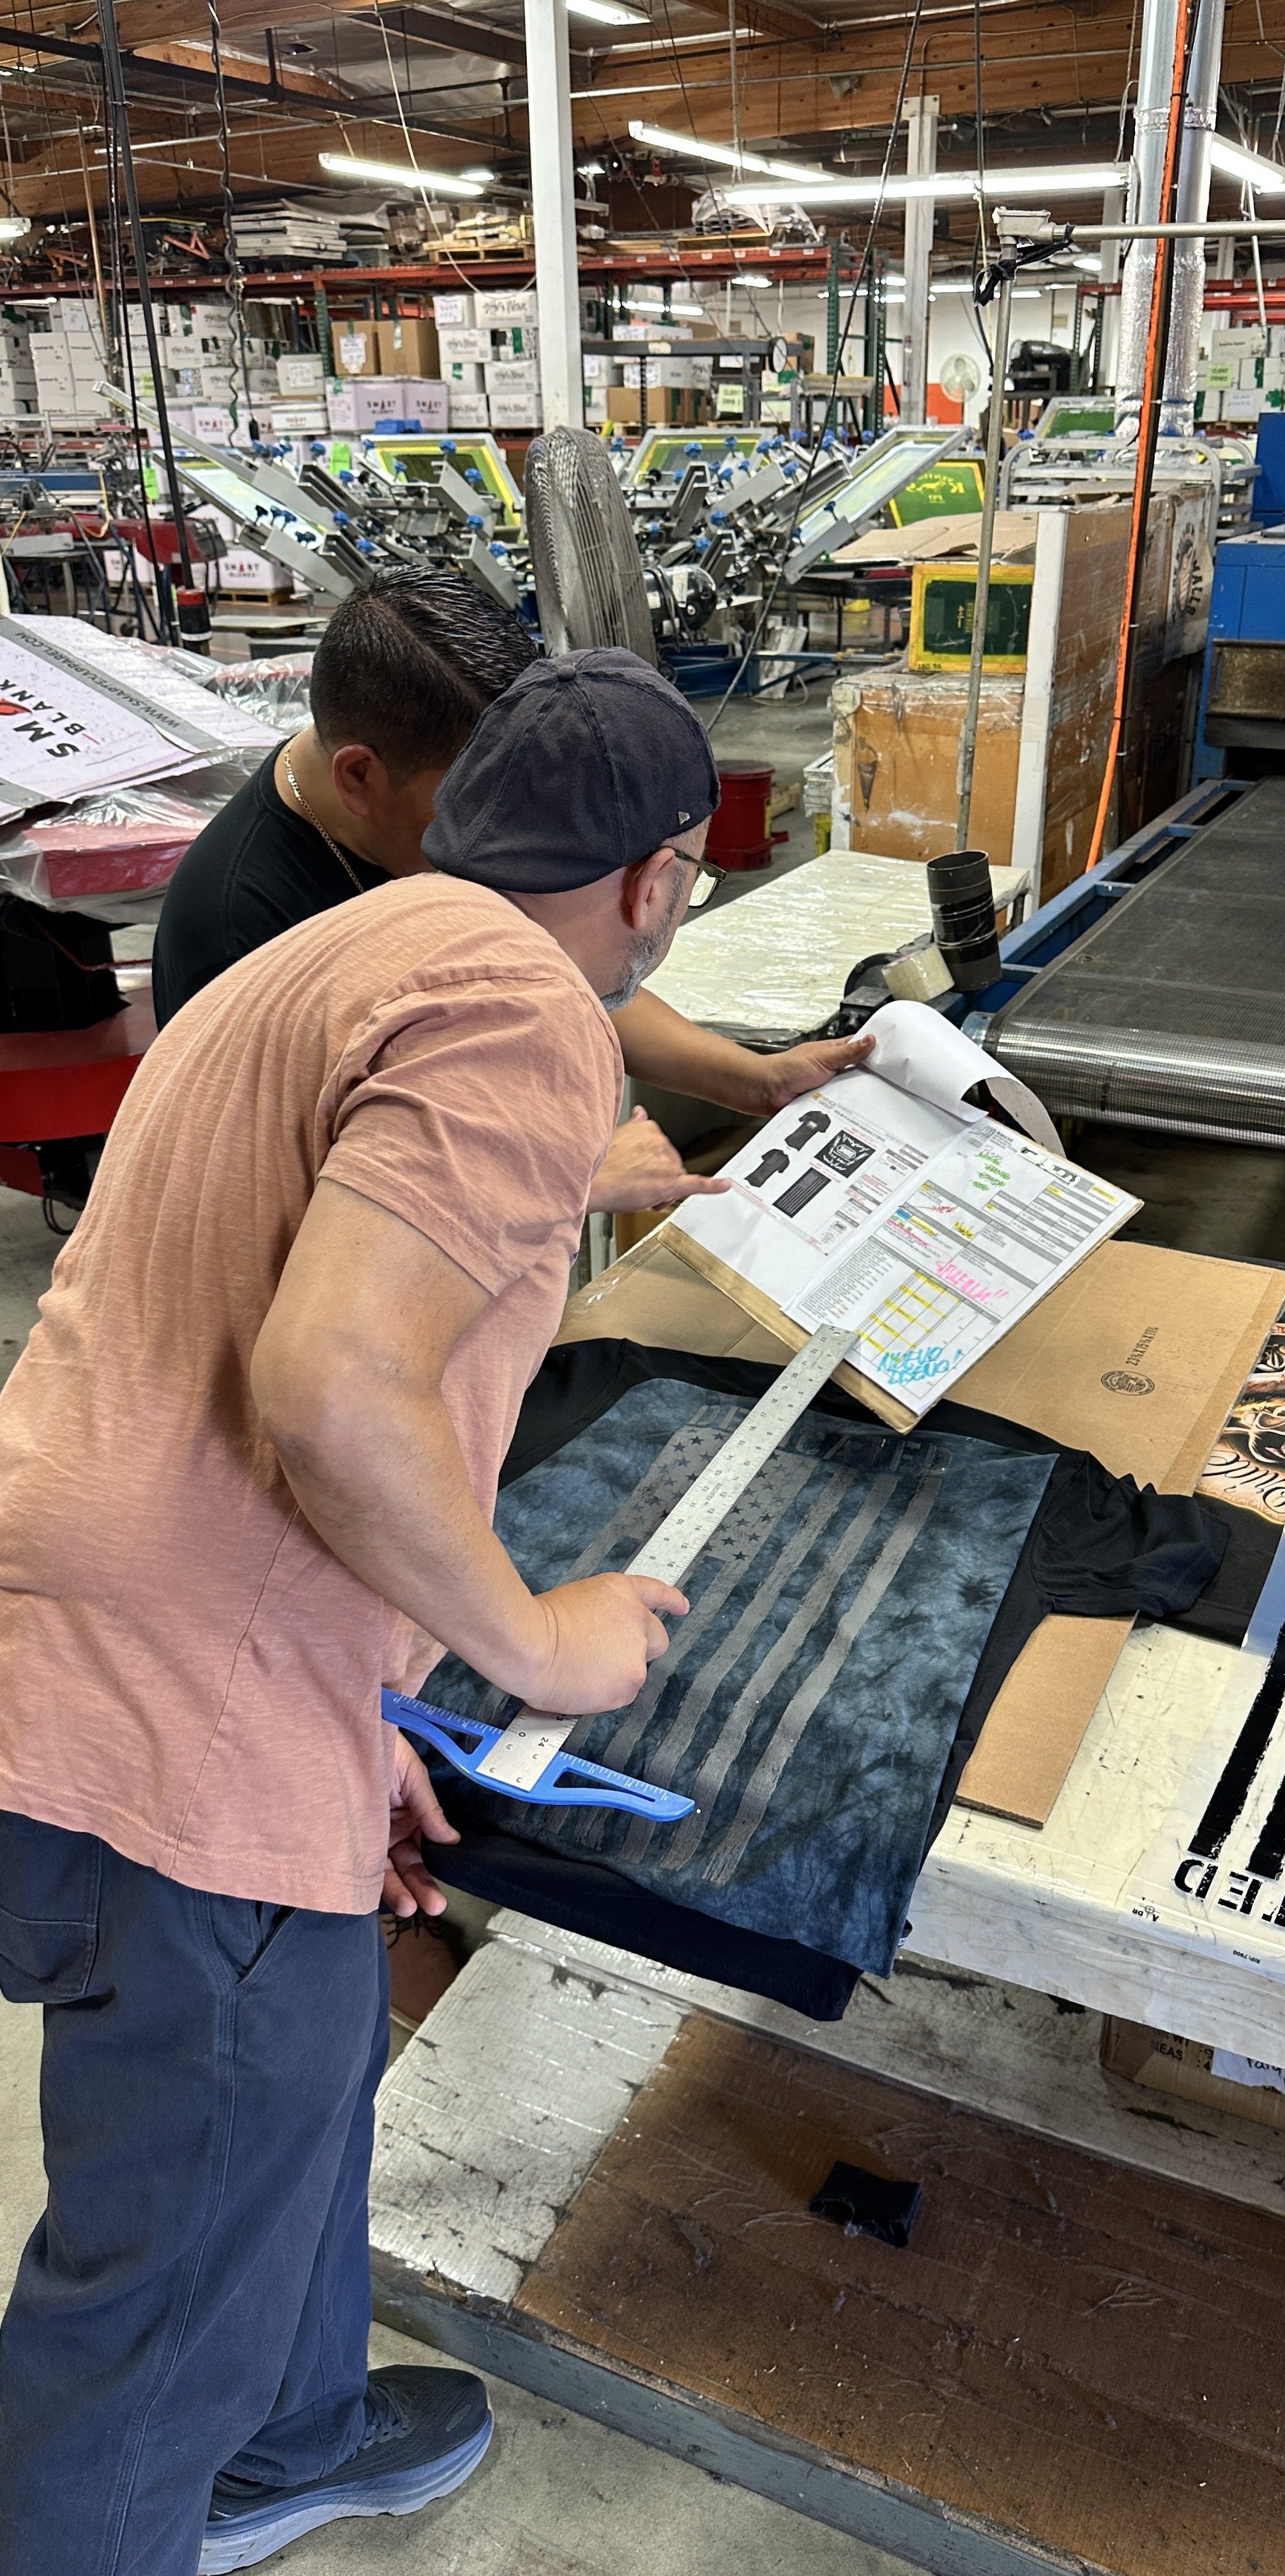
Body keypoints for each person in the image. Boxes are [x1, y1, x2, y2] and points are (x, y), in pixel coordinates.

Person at [0, 650, 729, 2575]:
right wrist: (532, 1642)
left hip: (82, 1630)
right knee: (153, 2303)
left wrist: (362, 1709)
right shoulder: (526, 1007)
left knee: (288, 2084)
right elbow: (334, 1383)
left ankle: (296, 2435)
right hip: (170, 1716)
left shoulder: (333, 950)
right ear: (654, 881)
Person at [153, 569, 871, 1213]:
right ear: (359, 777)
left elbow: (552, 969)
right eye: (476, 798)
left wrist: (754, 1081)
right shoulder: (238, 933)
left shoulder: (420, 835)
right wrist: (573, 1186)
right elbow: (300, 1233)